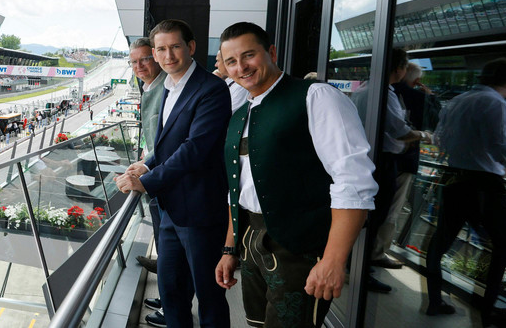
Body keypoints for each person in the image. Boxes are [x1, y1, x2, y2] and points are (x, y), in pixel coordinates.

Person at [214, 22, 378, 328]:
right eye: (231, 61)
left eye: (249, 55)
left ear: (272, 52)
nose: (241, 67)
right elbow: (237, 190)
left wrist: (333, 260)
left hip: (300, 249)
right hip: (251, 243)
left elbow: (353, 182)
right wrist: (229, 249)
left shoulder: (316, 96)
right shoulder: (240, 115)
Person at [115, 19, 232, 327]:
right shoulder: (168, 86)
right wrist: (148, 163)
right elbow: (169, 142)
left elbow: (195, 148)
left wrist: (145, 181)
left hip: (200, 212)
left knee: (209, 300)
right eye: (161, 49)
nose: (168, 56)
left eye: (175, 47)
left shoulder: (211, 89)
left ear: (190, 47)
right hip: (171, 211)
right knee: (171, 293)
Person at [425, 58, 506, 321]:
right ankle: (488, 313)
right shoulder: (496, 104)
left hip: (454, 180)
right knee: (504, 246)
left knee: (439, 245)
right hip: (485, 187)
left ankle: (434, 301)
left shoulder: (458, 100)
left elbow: (440, 139)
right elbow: (501, 149)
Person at [350, 48, 431, 284]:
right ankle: (360, 269)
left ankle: (356, 264)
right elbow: (400, 131)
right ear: (399, 69)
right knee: (377, 216)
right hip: (382, 161)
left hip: (367, 159)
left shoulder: (362, 90)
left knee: (367, 215)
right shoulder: (383, 94)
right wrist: (425, 136)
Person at [127, 37, 168, 325]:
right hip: (155, 172)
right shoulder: (150, 86)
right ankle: (168, 296)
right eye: (133, 62)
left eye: (144, 59)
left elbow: (168, 138)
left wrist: (146, 165)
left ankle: (172, 306)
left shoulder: (166, 87)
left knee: (172, 246)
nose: (139, 66)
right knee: (166, 244)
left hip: (164, 177)